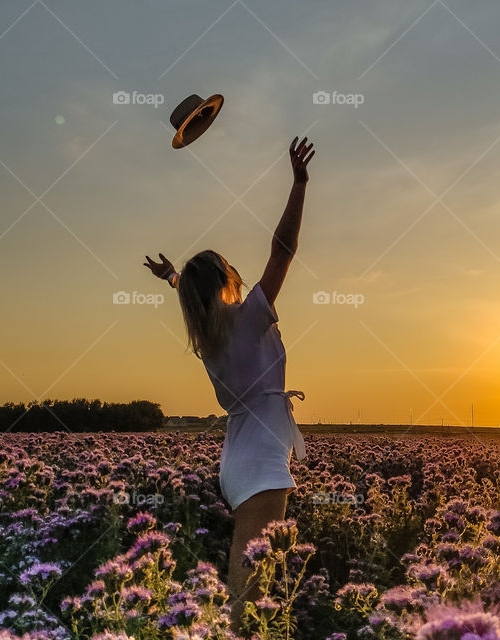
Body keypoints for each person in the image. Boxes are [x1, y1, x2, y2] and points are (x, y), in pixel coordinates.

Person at [144, 135, 315, 632]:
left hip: (238, 455)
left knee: (255, 564)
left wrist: (174, 277)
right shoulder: (249, 317)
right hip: (260, 452)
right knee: (254, 573)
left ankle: (238, 627)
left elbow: (192, 295)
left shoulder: (208, 337)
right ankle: (237, 632)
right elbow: (283, 250)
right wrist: (299, 185)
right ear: (226, 281)